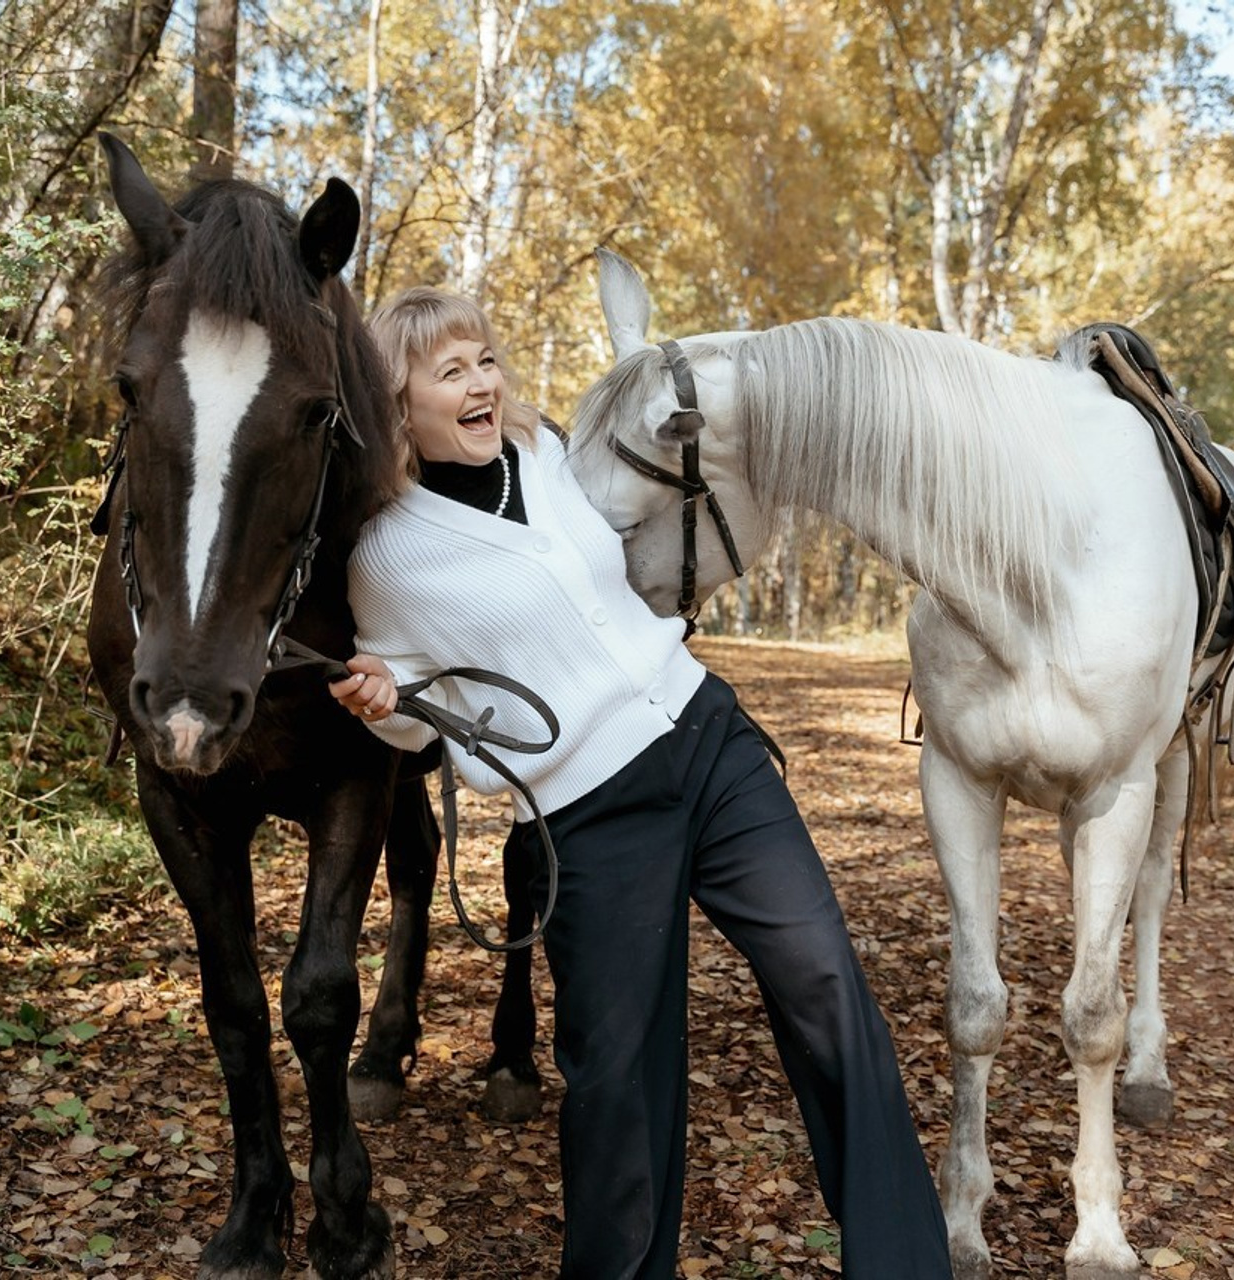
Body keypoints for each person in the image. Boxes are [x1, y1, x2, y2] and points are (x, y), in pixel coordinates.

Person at [330, 285, 952, 1280]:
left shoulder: (543, 453)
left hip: (706, 740)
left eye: (484, 358)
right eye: (449, 372)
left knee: (826, 984)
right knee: (620, 1080)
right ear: (396, 405)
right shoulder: (384, 551)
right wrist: (381, 700)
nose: (482, 381)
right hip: (587, 813)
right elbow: (414, 707)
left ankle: (904, 1264)